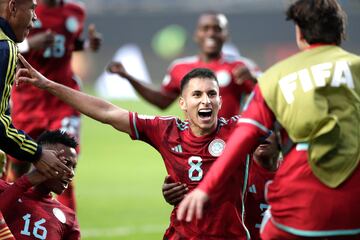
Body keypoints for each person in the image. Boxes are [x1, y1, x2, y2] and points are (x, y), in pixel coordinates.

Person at [177, 0, 360, 239]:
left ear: (299, 32)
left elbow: (243, 136)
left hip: (299, 205)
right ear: (340, 32)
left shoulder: (276, 76)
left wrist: (206, 188)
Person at [16, 62, 255, 239]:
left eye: (212, 94)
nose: (206, 101)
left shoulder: (239, 129)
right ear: (182, 103)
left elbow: (277, 132)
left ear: (220, 102)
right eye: (197, 94)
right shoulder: (166, 130)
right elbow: (108, 113)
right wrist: (47, 84)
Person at [7, 0, 102, 210]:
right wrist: (32, 43)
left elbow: (68, 42)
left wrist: (86, 45)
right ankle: (14, 219)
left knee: (64, 161)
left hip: (63, 98)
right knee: (17, 166)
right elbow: (6, 44)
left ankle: (68, 228)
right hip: (28, 100)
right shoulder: (24, 8)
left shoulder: (75, 11)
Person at [108, 11, 260, 119]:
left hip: (230, 142)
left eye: (217, 29)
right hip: (194, 146)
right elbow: (162, 101)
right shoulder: (179, 68)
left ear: (226, 35)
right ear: (196, 35)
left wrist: (254, 79)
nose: (211, 34)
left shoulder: (240, 66)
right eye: (205, 28)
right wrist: (128, 77)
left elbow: (269, 95)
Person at [162, 132, 280, 240]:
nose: (264, 133)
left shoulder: (293, 173)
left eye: (271, 128)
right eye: (258, 127)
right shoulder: (233, 169)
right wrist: (178, 191)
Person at [0, 0, 71, 179]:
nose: (35, 18)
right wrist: (37, 153)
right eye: (32, 8)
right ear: (12, 7)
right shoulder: (4, 48)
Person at [0, 130, 80, 240]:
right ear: (45, 160)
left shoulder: (69, 218)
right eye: (66, 163)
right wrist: (27, 181)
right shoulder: (3, 189)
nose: (71, 173)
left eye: (73, 167)